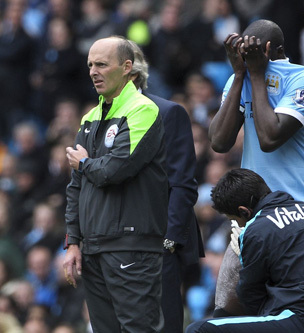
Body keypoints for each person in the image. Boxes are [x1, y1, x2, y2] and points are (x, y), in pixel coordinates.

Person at [62, 36, 168, 332]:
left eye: (101, 64)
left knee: (138, 329)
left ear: (126, 67)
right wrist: (73, 242)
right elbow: (76, 187)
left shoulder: (143, 110)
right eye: (90, 65)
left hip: (130, 245)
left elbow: (115, 169)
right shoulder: (90, 117)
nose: (93, 71)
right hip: (94, 247)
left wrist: (84, 163)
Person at [186, 168, 304, 333]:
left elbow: (250, 297)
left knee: (199, 328)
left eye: (234, 220)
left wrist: (243, 251)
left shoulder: (257, 230)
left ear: (244, 211)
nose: (238, 226)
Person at [209, 19, 304, 217]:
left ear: (272, 49)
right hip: (258, 213)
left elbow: (269, 139)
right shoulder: (239, 79)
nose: (248, 56)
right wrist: (240, 76)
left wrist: (258, 75)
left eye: (253, 50)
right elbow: (219, 142)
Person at [128, 39, 205, 333]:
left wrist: (168, 243)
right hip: (114, 245)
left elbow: (183, 184)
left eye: (102, 65)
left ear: (131, 72)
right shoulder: (97, 119)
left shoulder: (168, 113)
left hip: (157, 244)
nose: (94, 73)